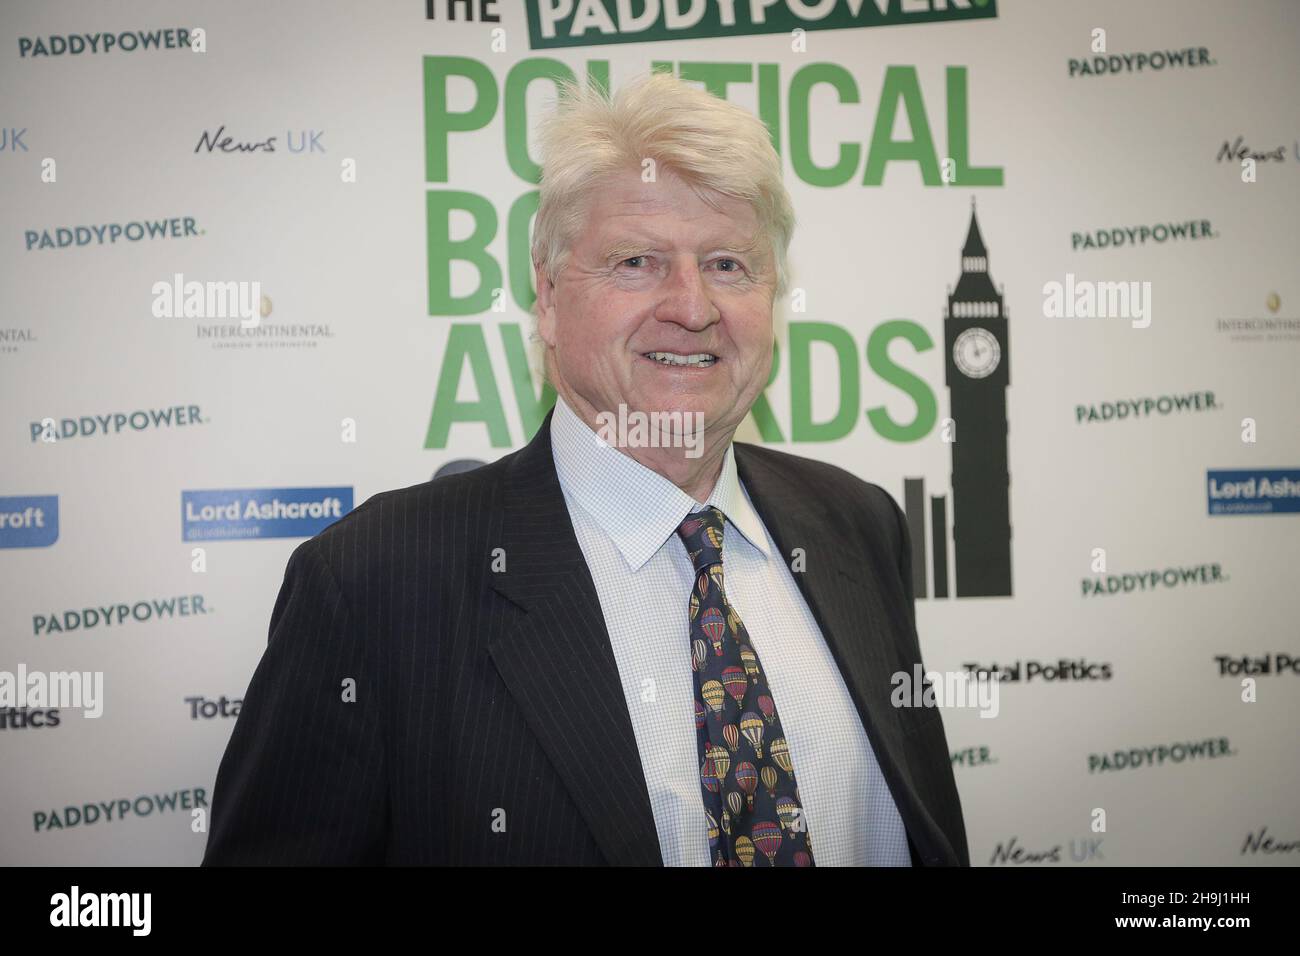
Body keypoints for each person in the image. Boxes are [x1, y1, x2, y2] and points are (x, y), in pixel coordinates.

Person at [202, 71, 969, 867]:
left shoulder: (856, 525)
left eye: (729, 265)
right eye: (636, 261)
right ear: (547, 295)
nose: (693, 306)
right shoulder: (374, 582)